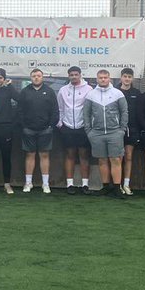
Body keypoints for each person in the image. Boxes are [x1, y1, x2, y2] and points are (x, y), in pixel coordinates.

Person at [83, 69, 129, 196]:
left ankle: (116, 188)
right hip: (96, 133)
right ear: (97, 79)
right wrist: (89, 131)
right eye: (100, 77)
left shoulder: (118, 93)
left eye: (105, 77)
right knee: (102, 160)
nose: (103, 79)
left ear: (109, 79)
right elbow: (86, 114)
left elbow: (124, 112)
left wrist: (121, 130)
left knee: (115, 160)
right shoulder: (91, 94)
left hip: (115, 132)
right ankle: (105, 187)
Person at [18, 68, 58, 193]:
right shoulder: (25, 92)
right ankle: (28, 183)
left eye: (38, 75)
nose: (36, 78)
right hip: (28, 129)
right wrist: (24, 126)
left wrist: (51, 126)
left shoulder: (49, 91)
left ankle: (45, 184)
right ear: (30, 78)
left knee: (44, 155)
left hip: (45, 130)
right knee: (30, 155)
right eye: (34, 76)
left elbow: (55, 111)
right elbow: (19, 111)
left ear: (42, 77)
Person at [57, 66, 93, 194]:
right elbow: (60, 108)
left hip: (82, 127)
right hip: (67, 127)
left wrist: (88, 125)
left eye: (76, 74)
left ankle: (85, 185)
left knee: (84, 155)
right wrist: (60, 124)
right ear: (68, 76)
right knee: (70, 155)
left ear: (80, 75)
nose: (73, 77)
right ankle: (70, 184)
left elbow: (91, 109)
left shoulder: (89, 89)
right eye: (71, 75)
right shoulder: (63, 90)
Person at [118, 68, 140, 195]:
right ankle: (118, 184)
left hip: (132, 129)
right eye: (125, 76)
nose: (127, 79)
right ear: (121, 77)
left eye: (129, 77)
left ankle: (126, 184)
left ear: (132, 78)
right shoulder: (115, 91)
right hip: (117, 129)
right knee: (119, 158)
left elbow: (139, 113)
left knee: (129, 156)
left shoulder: (136, 93)